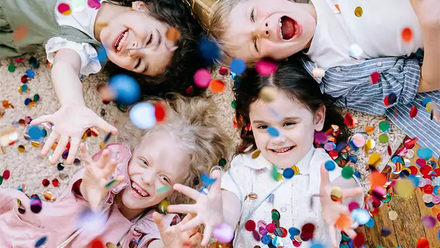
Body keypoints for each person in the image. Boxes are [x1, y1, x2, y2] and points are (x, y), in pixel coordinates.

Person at [188, 0, 440, 156]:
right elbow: (429, 82)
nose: (261, 28)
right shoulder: (336, 76)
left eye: (253, 14)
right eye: (255, 43)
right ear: (275, 62)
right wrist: (431, 23)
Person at [167, 61, 364, 247]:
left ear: (318, 118)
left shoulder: (323, 167)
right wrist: (217, 216)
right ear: (250, 125)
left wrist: (340, 203)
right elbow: (228, 213)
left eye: (289, 123)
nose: (277, 138)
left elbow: (348, 189)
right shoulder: (243, 169)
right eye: (263, 126)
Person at [0, 95, 232, 247]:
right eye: (143, 162)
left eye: (164, 177)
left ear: (176, 188)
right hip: (24, 239)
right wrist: (95, 187)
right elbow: (91, 192)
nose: (147, 179)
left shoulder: (161, 221)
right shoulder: (114, 163)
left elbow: (158, 241)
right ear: (133, 149)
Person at [0, 0, 203, 164]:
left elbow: (65, 67)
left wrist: (73, 105)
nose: (134, 50)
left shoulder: (79, 45)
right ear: (143, 6)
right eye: (150, 39)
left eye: (139, 63)